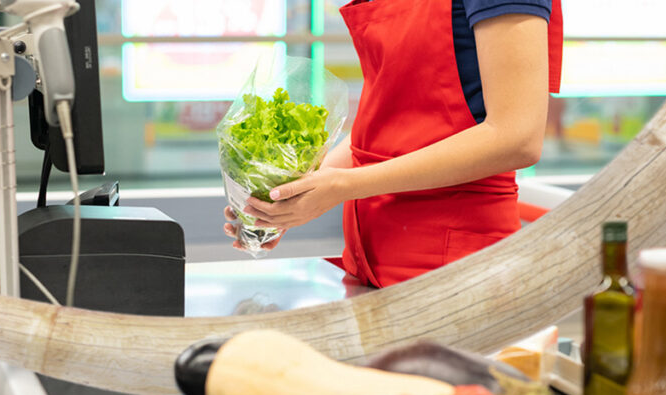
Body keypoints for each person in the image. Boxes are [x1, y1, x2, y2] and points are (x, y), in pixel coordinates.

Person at [224, 0, 563, 288]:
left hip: (455, 269)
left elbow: (516, 138)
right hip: (368, 259)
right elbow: (389, 126)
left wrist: (343, 185)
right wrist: (292, 194)